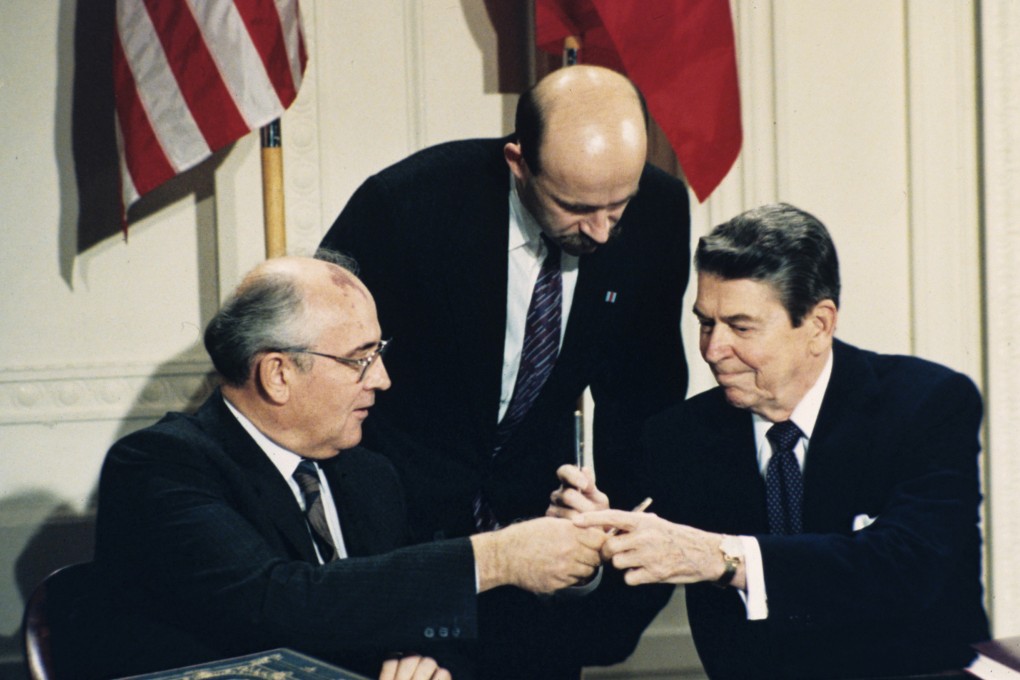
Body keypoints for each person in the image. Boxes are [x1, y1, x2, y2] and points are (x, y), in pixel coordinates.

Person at [319, 64, 688, 678]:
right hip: (404, 544)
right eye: (575, 207)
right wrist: (394, 615)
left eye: (617, 207)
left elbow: (645, 398)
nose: (601, 231)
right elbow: (329, 383)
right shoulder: (406, 205)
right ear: (518, 162)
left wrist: (605, 569)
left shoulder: (660, 210)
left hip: (537, 559)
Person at [78, 254, 606, 680]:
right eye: (361, 358)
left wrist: (557, 551)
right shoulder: (160, 467)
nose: (382, 379)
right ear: (278, 374)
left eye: (380, 352)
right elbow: (279, 602)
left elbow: (424, 609)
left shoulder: (368, 475)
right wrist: (498, 556)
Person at [573, 203, 991, 678]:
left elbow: (911, 570)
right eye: (706, 322)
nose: (713, 350)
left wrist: (721, 557)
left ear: (819, 325)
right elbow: (608, 634)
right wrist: (586, 552)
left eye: (741, 327)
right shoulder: (678, 437)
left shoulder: (926, 404)